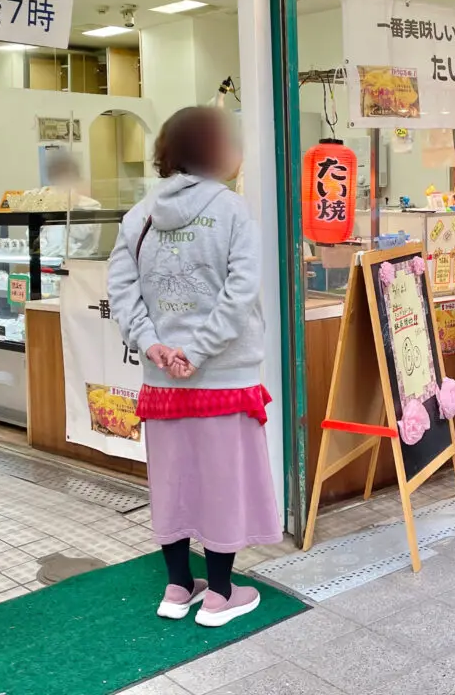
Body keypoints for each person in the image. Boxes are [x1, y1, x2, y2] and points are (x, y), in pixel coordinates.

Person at [107, 106, 281, 625]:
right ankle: (222, 593)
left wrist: (153, 344)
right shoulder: (232, 211)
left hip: (161, 381)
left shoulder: (138, 217)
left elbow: (122, 291)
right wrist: (200, 350)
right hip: (224, 376)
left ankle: (179, 587)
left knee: (173, 480)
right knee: (223, 480)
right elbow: (241, 291)